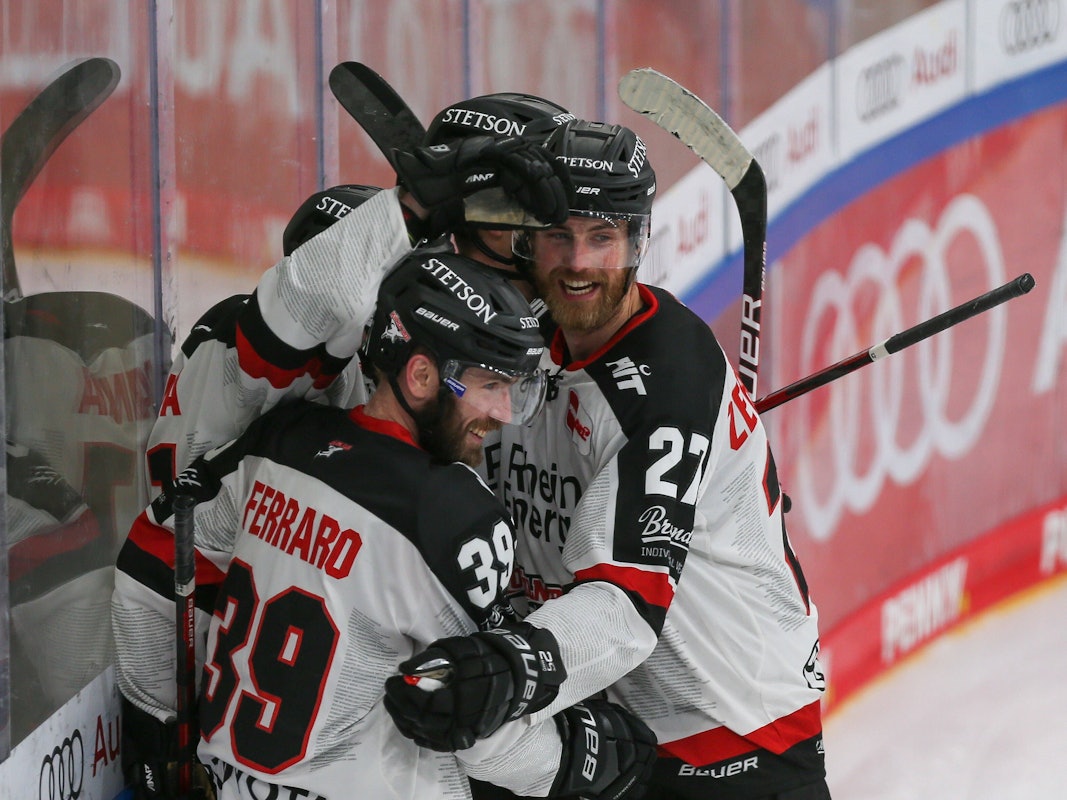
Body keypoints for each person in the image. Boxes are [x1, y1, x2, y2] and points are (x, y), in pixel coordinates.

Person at [383, 120, 832, 800]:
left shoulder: (668, 376)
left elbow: (625, 607)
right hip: (610, 718)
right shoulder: (519, 337)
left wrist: (511, 663)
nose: (579, 261)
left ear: (637, 243)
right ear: (526, 239)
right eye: (560, 236)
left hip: (734, 732)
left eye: (603, 238)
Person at [112, 250, 657, 800]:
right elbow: (470, 718)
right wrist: (578, 760)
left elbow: (153, 558)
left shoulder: (278, 443)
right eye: (490, 386)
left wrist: (157, 721)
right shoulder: (454, 513)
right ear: (420, 375)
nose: (501, 414)